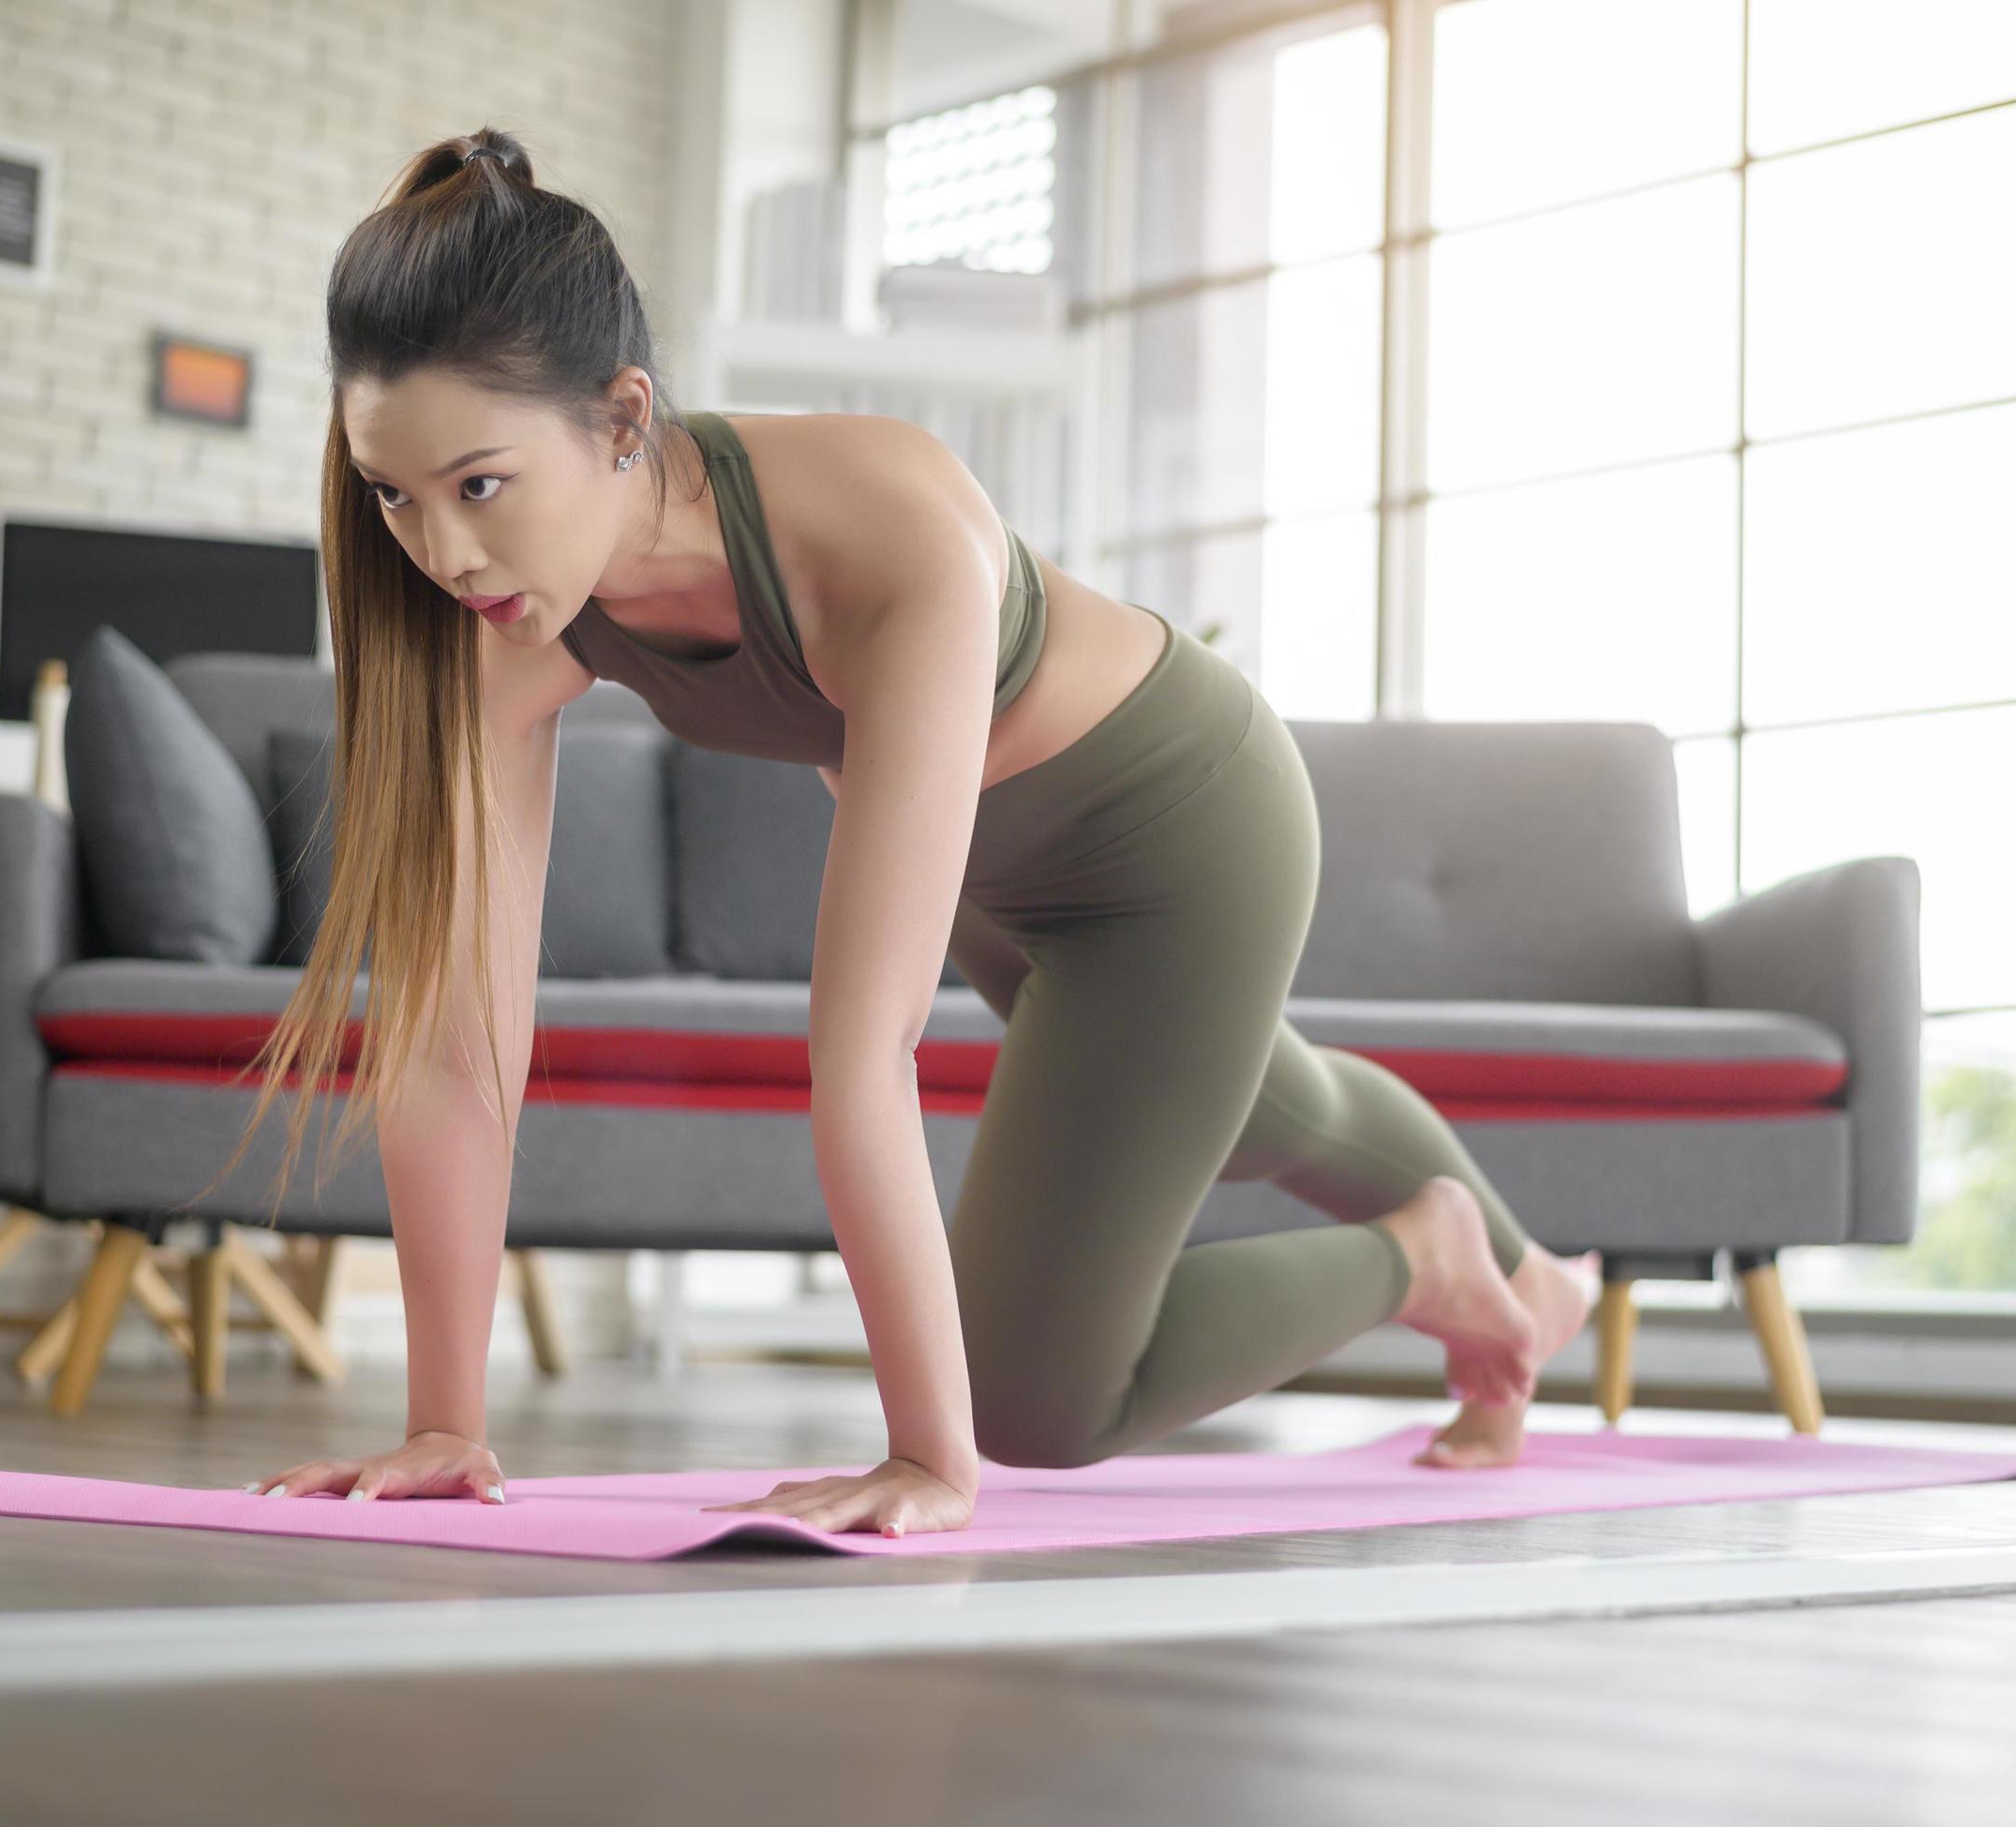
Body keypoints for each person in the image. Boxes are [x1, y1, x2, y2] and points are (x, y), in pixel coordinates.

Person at [230, 129, 1599, 1536]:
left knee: (1035, 1404)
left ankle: (1428, 1259)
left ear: (623, 419)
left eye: (480, 484)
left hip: (1180, 836)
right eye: (393, 495)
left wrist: (927, 1457)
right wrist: (448, 1424)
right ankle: (1535, 1281)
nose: (442, 551)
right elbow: (458, 1046)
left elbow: (862, 1052)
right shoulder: (503, 632)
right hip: (999, 881)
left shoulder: (885, 522)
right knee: (1257, 1104)